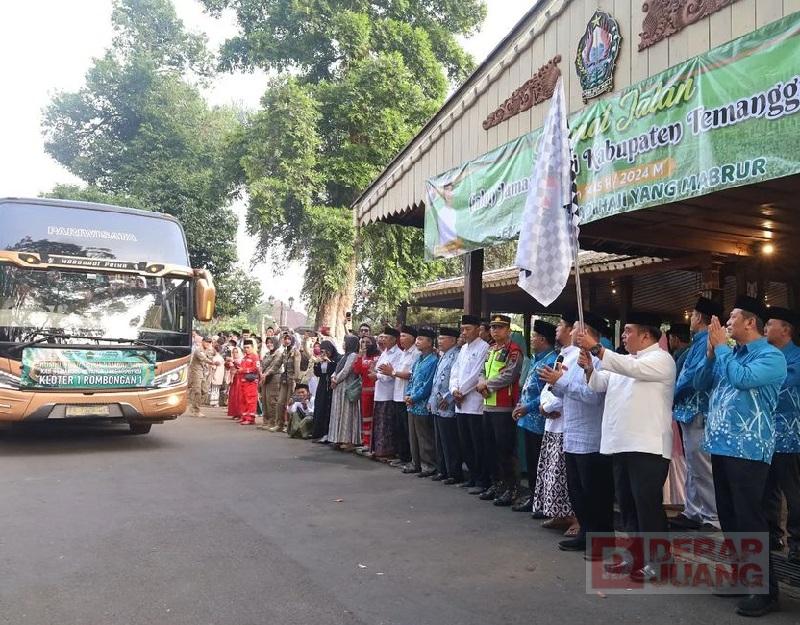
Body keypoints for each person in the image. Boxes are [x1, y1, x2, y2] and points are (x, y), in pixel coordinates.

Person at [693, 296, 787, 616]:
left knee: (750, 519)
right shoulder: (729, 354)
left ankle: (765, 590)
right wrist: (709, 355)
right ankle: (740, 576)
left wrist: (720, 349)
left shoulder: (771, 356)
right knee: (730, 517)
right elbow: (698, 383)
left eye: (732, 317)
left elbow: (742, 379)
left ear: (750, 323)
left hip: (749, 449)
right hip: (720, 445)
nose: (727, 322)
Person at [579, 311, 676, 581]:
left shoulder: (661, 359)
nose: (624, 335)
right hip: (621, 443)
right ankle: (636, 557)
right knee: (628, 506)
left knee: (647, 507)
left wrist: (597, 349)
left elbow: (629, 369)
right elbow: (600, 384)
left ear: (646, 335)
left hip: (648, 446)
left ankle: (660, 561)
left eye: (629, 330)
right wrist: (589, 366)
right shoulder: (625, 361)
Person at [540, 313, 610, 557]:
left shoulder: (599, 361)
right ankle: (585, 533)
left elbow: (592, 395)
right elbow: (563, 392)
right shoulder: (570, 355)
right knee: (577, 489)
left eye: (577, 328)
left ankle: (600, 539)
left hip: (591, 436)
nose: (571, 332)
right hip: (571, 433)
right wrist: (555, 383)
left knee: (595, 492)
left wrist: (562, 383)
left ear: (587, 333)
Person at [670, 296, 723, 531]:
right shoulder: (698, 342)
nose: (690, 319)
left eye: (692, 315)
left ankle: (712, 515)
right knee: (693, 465)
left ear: (700, 317)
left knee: (702, 466)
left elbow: (691, 377)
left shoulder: (706, 342)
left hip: (699, 410)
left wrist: (673, 392)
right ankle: (693, 511)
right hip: (689, 410)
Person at [764, 307, 800, 561]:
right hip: (766, 433)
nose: (765, 327)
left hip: (791, 434)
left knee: (793, 491)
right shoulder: (767, 357)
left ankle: (796, 541)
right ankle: (772, 536)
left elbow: (783, 384)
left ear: (785, 329)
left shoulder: (796, 357)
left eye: (770, 323)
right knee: (767, 488)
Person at [476, 314, 524, 506]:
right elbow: (482, 370)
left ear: (508, 330)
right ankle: (498, 484)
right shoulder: (491, 349)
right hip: (488, 404)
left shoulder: (513, 350)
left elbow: (510, 374)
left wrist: (488, 384)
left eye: (500, 327)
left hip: (504, 406)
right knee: (491, 448)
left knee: (505, 450)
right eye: (493, 327)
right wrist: (481, 382)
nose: (495, 331)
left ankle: (512, 488)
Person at [512, 319, 558, 514]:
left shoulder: (550, 360)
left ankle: (539, 500)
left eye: (533, 337)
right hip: (528, 418)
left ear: (542, 339)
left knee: (539, 463)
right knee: (531, 462)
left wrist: (527, 407)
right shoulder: (539, 358)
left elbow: (545, 393)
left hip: (539, 419)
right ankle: (533, 497)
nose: (531, 340)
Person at [450, 314, 490, 491]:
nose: (464, 332)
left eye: (468, 329)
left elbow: (477, 374)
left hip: (474, 401)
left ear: (477, 329)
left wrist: (462, 391)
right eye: (462, 329)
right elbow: (455, 372)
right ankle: (472, 477)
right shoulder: (463, 349)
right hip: (460, 402)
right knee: (464, 441)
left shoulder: (484, 347)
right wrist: (454, 390)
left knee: (477, 443)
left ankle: (482, 480)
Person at [381, 325, 420, 468]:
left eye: (404, 336)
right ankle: (402, 456)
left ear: (413, 338)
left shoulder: (415, 353)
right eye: (401, 336)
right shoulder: (404, 353)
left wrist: (392, 372)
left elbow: (410, 374)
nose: (401, 339)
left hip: (407, 396)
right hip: (397, 395)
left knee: (408, 430)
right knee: (399, 428)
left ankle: (411, 459)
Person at [403, 328, 439, 476]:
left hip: (422, 403)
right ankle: (415, 462)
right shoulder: (418, 359)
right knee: (413, 435)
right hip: (411, 403)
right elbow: (412, 379)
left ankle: (428, 465)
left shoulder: (433, 361)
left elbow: (428, 384)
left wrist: (415, 397)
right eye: (417, 339)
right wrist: (408, 394)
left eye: (421, 339)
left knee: (424, 435)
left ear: (430, 342)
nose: (417, 341)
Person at [429, 327, 462, 484]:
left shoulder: (457, 355)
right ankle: (442, 469)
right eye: (439, 338)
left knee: (450, 441)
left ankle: (454, 473)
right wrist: (431, 400)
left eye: (443, 338)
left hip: (448, 403)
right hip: (437, 403)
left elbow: (456, 379)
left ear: (453, 340)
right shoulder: (443, 355)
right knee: (440, 440)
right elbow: (436, 380)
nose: (439, 341)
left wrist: (449, 398)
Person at [373, 328, 403, 458]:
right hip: (379, 392)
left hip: (389, 393)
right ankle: (379, 450)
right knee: (380, 423)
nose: (383, 340)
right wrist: (378, 374)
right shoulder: (384, 353)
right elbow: (379, 369)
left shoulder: (398, 354)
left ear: (393, 339)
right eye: (382, 337)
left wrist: (377, 375)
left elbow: (389, 374)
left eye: (386, 338)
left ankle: (389, 451)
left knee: (388, 424)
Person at [329, 336, 362, 450]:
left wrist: (336, 380)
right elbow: (337, 370)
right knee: (339, 412)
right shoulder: (345, 356)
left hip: (347, 387)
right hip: (339, 387)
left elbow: (346, 371)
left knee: (347, 414)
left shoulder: (353, 355)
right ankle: (339, 438)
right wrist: (333, 378)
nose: (343, 344)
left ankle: (349, 440)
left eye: (345, 342)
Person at [353, 335, 380, 455]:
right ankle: (366, 442)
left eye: (367, 342)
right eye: (362, 342)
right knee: (366, 418)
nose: (365, 344)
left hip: (377, 391)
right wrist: (360, 355)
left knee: (376, 418)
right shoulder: (362, 356)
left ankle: (374, 444)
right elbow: (357, 371)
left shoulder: (378, 356)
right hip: (365, 392)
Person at [311, 340, 340, 442]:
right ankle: (318, 432)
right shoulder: (321, 359)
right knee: (319, 407)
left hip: (331, 387)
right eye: (322, 351)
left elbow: (335, 370)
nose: (325, 353)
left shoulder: (336, 358)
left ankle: (327, 433)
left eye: (326, 351)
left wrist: (329, 361)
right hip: (322, 385)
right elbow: (318, 373)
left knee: (328, 408)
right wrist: (317, 363)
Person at [274, 332, 302, 432]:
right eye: (285, 339)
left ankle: (289, 426)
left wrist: (296, 381)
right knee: (280, 402)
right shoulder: (284, 352)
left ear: (292, 340)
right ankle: (279, 424)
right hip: (284, 380)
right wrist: (267, 373)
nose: (286, 341)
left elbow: (297, 368)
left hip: (292, 381)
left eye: (289, 339)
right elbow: (277, 365)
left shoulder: (296, 352)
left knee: (290, 403)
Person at [258, 337, 283, 430]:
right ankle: (266, 421)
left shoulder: (278, 354)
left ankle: (273, 422)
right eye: (268, 343)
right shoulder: (267, 354)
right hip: (264, 379)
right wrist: (261, 373)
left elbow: (274, 366)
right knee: (264, 400)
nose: (269, 344)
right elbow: (262, 364)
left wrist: (266, 374)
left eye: (271, 342)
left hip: (274, 378)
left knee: (272, 400)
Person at [188, 336, 214, 417]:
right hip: (196, 372)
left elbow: (211, 356)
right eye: (206, 342)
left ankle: (193, 404)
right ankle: (196, 410)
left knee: (205, 391)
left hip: (204, 372)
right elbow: (204, 359)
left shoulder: (208, 350)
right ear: (202, 341)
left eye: (209, 342)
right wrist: (213, 363)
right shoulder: (198, 350)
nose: (208, 344)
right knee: (197, 391)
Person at [236, 341, 262, 425]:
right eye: (245, 348)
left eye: (248, 347)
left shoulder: (255, 357)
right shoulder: (244, 358)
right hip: (243, 381)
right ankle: (244, 417)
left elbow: (256, 369)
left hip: (251, 382)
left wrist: (243, 370)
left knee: (250, 400)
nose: (246, 349)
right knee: (243, 400)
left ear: (252, 347)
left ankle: (250, 418)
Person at [225, 346, 243, 419]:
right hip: (233, 379)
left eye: (236, 352)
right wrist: (227, 363)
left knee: (238, 396)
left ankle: (240, 413)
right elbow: (227, 367)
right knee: (232, 396)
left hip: (239, 379)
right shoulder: (232, 360)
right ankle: (234, 413)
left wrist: (234, 363)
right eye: (233, 352)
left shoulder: (241, 360)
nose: (235, 354)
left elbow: (241, 368)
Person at [209, 344, 225, 408]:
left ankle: (214, 402)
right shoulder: (221, 357)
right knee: (216, 389)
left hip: (216, 374)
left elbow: (214, 367)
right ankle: (215, 402)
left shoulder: (216, 358)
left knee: (214, 389)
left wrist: (211, 366)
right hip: (220, 374)